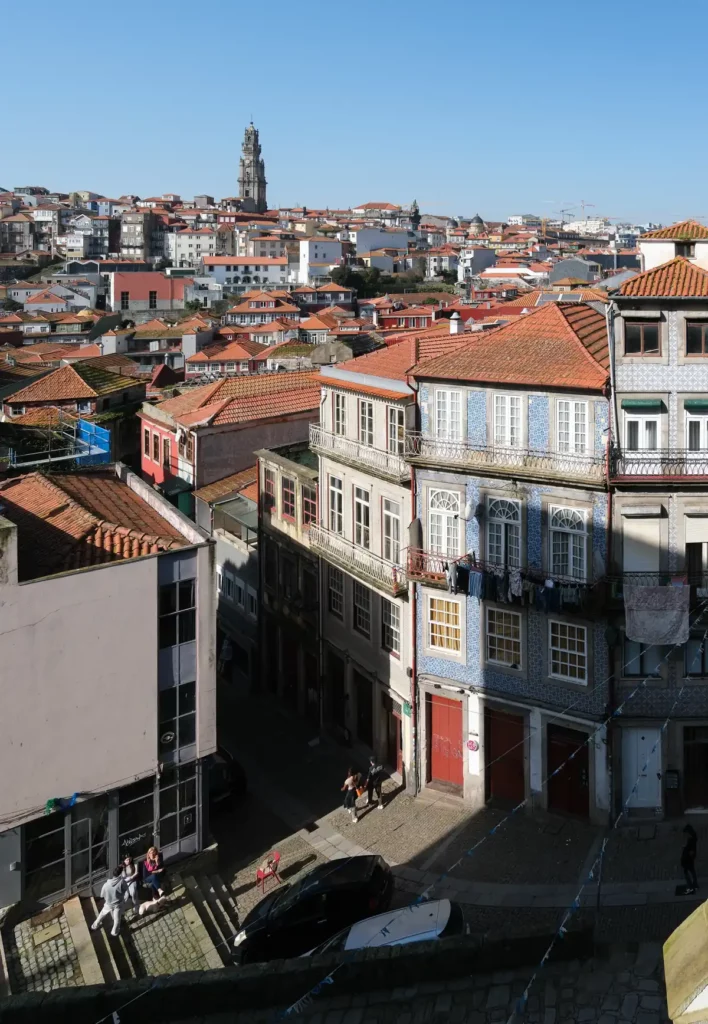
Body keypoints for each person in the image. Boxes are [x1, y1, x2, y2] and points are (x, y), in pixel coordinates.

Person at [91, 867, 127, 937]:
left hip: (108, 904)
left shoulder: (106, 885)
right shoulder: (122, 882)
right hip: (117, 904)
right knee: (117, 920)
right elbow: (125, 889)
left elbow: (102, 895)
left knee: (102, 914)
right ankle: (114, 932)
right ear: (120, 874)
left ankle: (94, 926)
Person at [682, 824, 699, 893]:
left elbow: (691, 851)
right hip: (689, 858)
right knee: (692, 870)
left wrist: (687, 852)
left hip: (688, 859)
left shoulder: (691, 840)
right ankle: (694, 885)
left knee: (687, 871)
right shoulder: (692, 838)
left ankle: (691, 886)